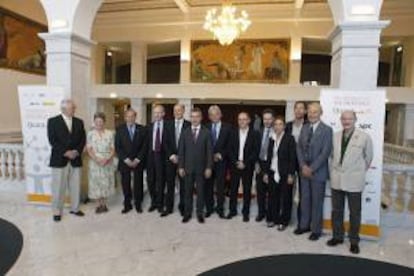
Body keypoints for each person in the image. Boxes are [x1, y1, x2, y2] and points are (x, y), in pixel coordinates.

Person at [327, 110, 373, 254]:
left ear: (355, 120)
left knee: (354, 213)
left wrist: (357, 171)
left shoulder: (364, 137)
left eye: (350, 119)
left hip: (354, 180)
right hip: (337, 179)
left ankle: (354, 241)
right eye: (344, 119)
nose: (346, 121)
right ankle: (337, 236)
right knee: (337, 211)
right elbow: (330, 156)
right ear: (341, 120)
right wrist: (333, 172)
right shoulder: (335, 136)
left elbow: (368, 158)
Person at [295, 102, 332, 241]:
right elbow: (298, 148)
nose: (311, 114)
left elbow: (325, 152)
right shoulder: (304, 128)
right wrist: (303, 166)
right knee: (304, 200)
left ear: (320, 113)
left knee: (317, 202)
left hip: (318, 172)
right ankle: (304, 225)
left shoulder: (327, 130)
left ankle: (316, 229)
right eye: (310, 112)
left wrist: (311, 168)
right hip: (304, 171)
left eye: (315, 112)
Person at [47, 99, 86, 222]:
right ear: (63, 109)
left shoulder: (79, 122)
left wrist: (76, 151)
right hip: (59, 159)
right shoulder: (53, 121)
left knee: (75, 185)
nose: (74, 110)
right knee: (58, 187)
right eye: (71, 108)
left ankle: (75, 208)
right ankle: (57, 211)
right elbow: (52, 140)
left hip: (75, 158)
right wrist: (66, 152)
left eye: (73, 108)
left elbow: (82, 140)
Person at [178, 108, 213, 223]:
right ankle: (187, 214)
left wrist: (209, 167)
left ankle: (199, 214)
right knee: (187, 192)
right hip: (187, 168)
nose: (194, 119)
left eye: (197, 116)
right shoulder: (185, 132)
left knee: (201, 193)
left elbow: (209, 152)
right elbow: (181, 151)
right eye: (192, 116)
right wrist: (180, 167)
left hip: (202, 169)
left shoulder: (207, 132)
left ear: (201, 118)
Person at [263, 116, 296, 230]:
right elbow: (268, 157)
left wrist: (291, 174)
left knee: (286, 198)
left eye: (280, 124)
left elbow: (293, 158)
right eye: (275, 124)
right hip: (272, 172)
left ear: (284, 126)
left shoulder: (289, 138)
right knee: (272, 197)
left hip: (285, 173)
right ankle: (273, 219)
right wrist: (266, 173)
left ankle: (284, 221)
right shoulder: (271, 138)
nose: (277, 126)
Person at [227, 112, 260, 222]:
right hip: (235, 165)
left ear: (249, 120)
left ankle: (246, 213)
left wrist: (245, 162)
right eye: (240, 119)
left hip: (248, 166)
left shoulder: (255, 134)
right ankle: (232, 211)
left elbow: (255, 151)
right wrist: (236, 162)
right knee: (233, 189)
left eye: (244, 119)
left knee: (247, 190)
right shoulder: (232, 133)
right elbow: (229, 150)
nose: (242, 121)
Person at [115, 108, 148, 214]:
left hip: (138, 161)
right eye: (128, 116)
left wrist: (138, 159)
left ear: (135, 117)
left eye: (132, 116)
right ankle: (127, 204)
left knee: (138, 183)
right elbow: (118, 147)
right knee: (125, 183)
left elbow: (145, 146)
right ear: (125, 117)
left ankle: (138, 204)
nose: (130, 118)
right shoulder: (119, 129)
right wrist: (126, 159)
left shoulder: (142, 129)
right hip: (125, 162)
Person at [162, 103, 190, 217]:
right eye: (175, 110)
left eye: (179, 110)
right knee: (170, 185)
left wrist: (181, 157)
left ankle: (182, 207)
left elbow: (190, 143)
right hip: (170, 160)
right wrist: (171, 155)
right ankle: (168, 208)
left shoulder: (189, 125)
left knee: (184, 185)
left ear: (183, 111)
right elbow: (165, 142)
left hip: (184, 160)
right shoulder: (167, 124)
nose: (176, 112)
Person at [205, 105, 232, 219]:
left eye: (216, 114)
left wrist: (221, 154)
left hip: (222, 162)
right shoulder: (205, 127)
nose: (214, 116)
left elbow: (231, 145)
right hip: (208, 162)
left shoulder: (228, 127)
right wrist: (211, 156)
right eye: (212, 114)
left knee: (221, 186)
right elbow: (203, 145)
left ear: (220, 115)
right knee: (208, 186)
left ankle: (220, 209)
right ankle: (209, 208)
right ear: (209, 117)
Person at [86, 112, 116, 214]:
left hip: (107, 161)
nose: (99, 123)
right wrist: (97, 159)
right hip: (95, 162)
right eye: (97, 121)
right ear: (94, 122)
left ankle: (104, 204)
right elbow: (89, 149)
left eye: (101, 121)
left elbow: (113, 148)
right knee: (96, 183)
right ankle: (98, 205)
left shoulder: (110, 133)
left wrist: (107, 159)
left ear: (104, 122)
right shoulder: (90, 134)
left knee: (106, 182)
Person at [285, 101, 308, 230]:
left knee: (303, 194)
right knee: (288, 192)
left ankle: (302, 222)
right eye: (296, 108)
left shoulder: (309, 125)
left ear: (305, 111)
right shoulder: (288, 126)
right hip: (289, 163)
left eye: (301, 108)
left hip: (303, 163)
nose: (298, 111)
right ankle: (287, 219)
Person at [146, 104, 168, 213]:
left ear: (163, 114)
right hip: (150, 156)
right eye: (155, 113)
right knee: (150, 180)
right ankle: (153, 202)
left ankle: (160, 203)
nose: (157, 114)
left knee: (160, 181)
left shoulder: (168, 126)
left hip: (162, 157)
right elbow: (146, 144)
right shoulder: (149, 126)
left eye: (160, 112)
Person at [255, 109, 275, 222]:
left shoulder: (276, 132)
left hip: (272, 165)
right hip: (260, 165)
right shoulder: (258, 131)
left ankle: (270, 215)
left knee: (272, 192)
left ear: (273, 119)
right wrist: (256, 164)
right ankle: (261, 213)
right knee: (260, 191)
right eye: (265, 119)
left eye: (269, 119)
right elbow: (255, 149)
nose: (267, 121)